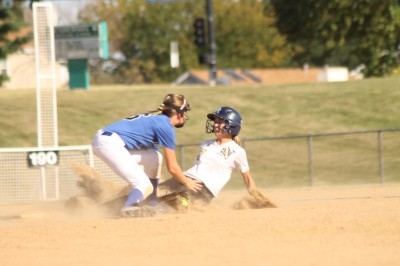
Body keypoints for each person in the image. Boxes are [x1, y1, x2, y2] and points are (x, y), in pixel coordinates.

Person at [91, 94, 202, 218]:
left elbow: (153, 156)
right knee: (143, 184)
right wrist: (187, 182)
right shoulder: (165, 126)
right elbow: (173, 167)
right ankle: (130, 207)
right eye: (185, 111)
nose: (186, 115)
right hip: (109, 144)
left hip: (105, 141)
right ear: (179, 113)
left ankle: (151, 201)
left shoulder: (158, 120)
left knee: (155, 158)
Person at [156, 106, 259, 208]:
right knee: (152, 197)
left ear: (232, 126)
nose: (215, 125)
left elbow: (247, 177)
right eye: (216, 121)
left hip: (203, 189)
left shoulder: (237, 151)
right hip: (184, 179)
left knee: (174, 206)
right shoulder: (206, 144)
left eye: (220, 121)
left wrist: (257, 198)